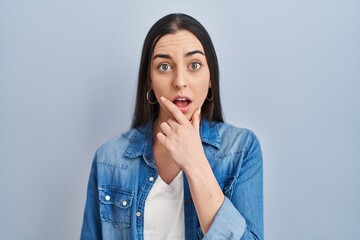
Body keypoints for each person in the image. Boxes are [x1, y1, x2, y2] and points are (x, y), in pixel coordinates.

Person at [80, 13, 263, 240]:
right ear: (149, 80)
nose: (180, 81)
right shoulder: (109, 158)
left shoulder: (241, 149)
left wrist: (195, 163)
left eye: (194, 65)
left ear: (210, 79)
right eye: (164, 66)